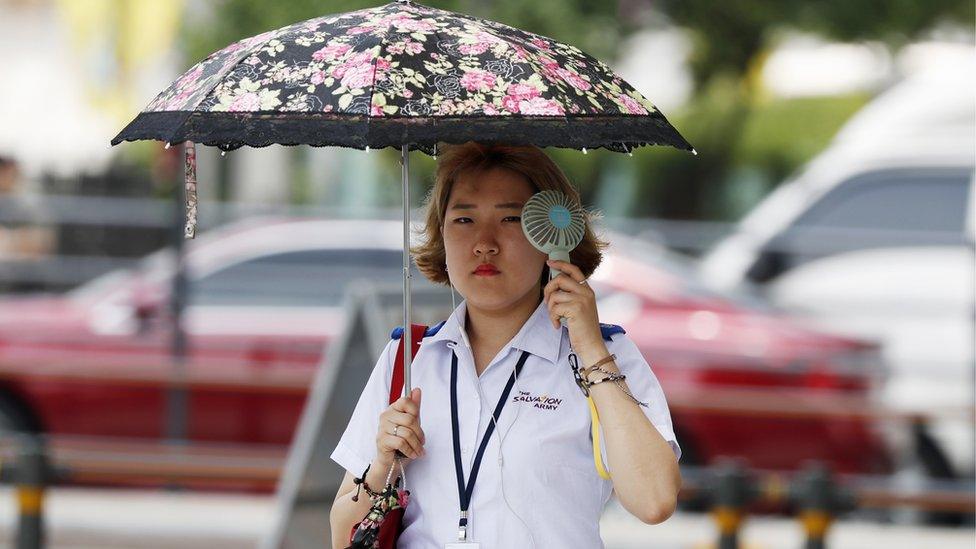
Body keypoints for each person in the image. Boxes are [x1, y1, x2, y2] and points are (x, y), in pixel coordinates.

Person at [330, 142, 681, 548]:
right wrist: (382, 466)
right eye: (463, 219)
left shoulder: (604, 356)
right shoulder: (408, 359)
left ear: (552, 234)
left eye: (512, 219)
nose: (485, 243)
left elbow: (654, 502)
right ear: (441, 236)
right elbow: (343, 538)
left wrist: (589, 348)